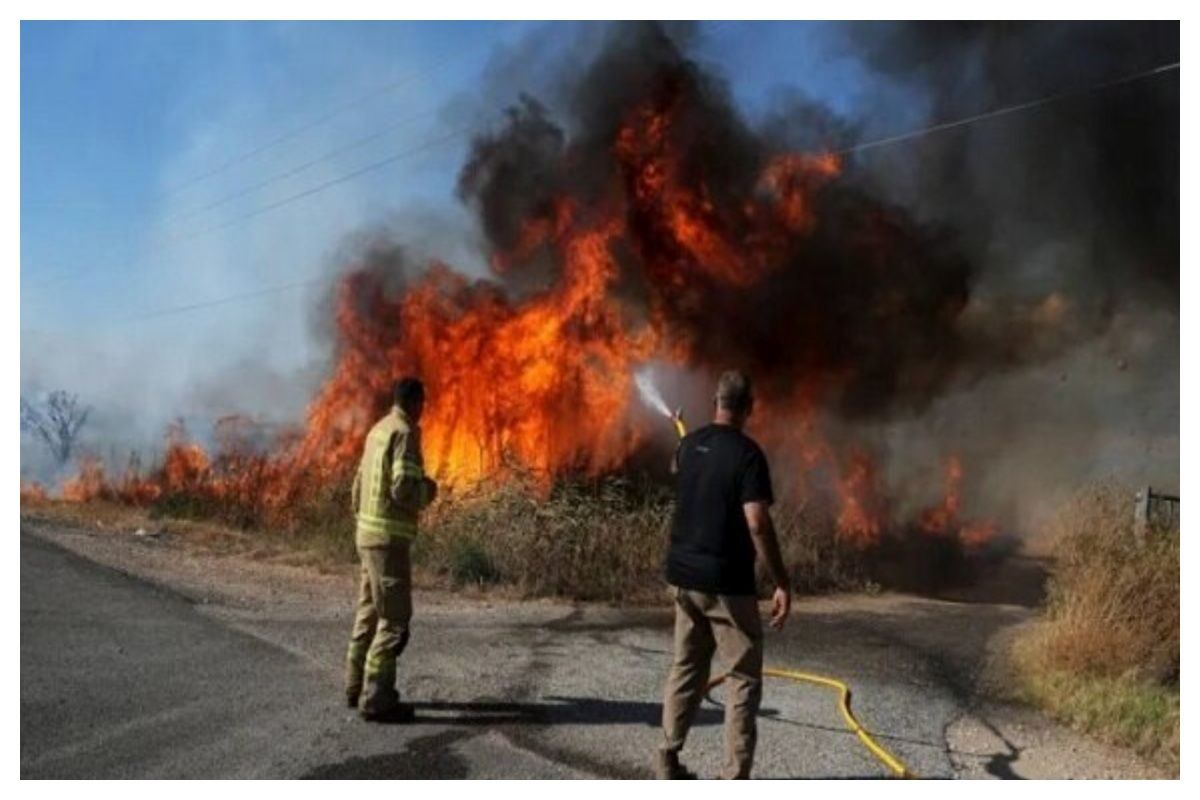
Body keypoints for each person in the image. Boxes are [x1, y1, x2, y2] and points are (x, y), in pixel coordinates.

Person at [656, 370, 791, 779]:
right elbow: (757, 523)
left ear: (715, 402)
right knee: (743, 676)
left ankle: (667, 759)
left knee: (686, 667)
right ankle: (733, 778)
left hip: (683, 578)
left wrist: (684, 434)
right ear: (750, 407)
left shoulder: (689, 444)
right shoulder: (748, 455)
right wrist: (781, 582)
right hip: (726, 585)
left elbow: (679, 466)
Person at [344, 377, 438, 722]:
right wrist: (428, 491)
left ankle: (354, 685)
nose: (423, 410)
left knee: (368, 612)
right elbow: (402, 488)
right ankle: (377, 698)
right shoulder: (405, 433)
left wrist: (363, 523)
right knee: (395, 619)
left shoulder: (377, 430)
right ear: (415, 402)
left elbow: (357, 486)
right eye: (423, 403)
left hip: (367, 536)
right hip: (388, 542)